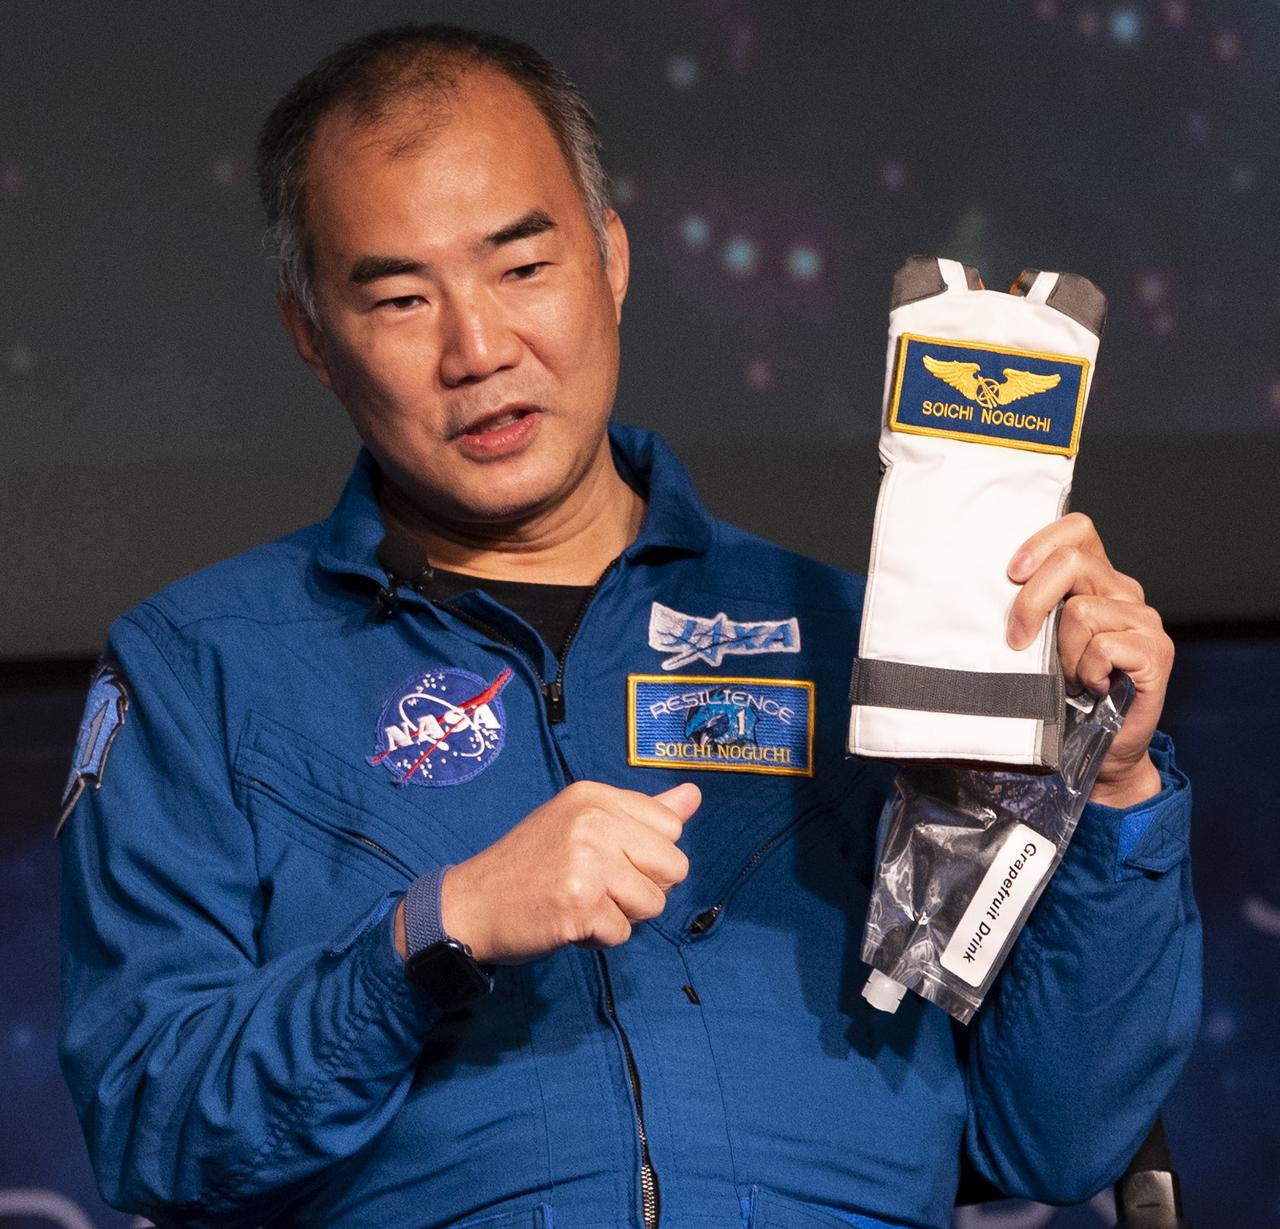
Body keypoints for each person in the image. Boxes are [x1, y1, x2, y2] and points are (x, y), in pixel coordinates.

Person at [58, 24, 1199, 1229]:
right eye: (399, 296)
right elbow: (151, 1119)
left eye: (521, 267)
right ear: (311, 334)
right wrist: (435, 934)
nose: (478, 349)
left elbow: (1059, 1132)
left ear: (608, 258)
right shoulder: (201, 668)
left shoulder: (855, 637)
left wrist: (1112, 786)